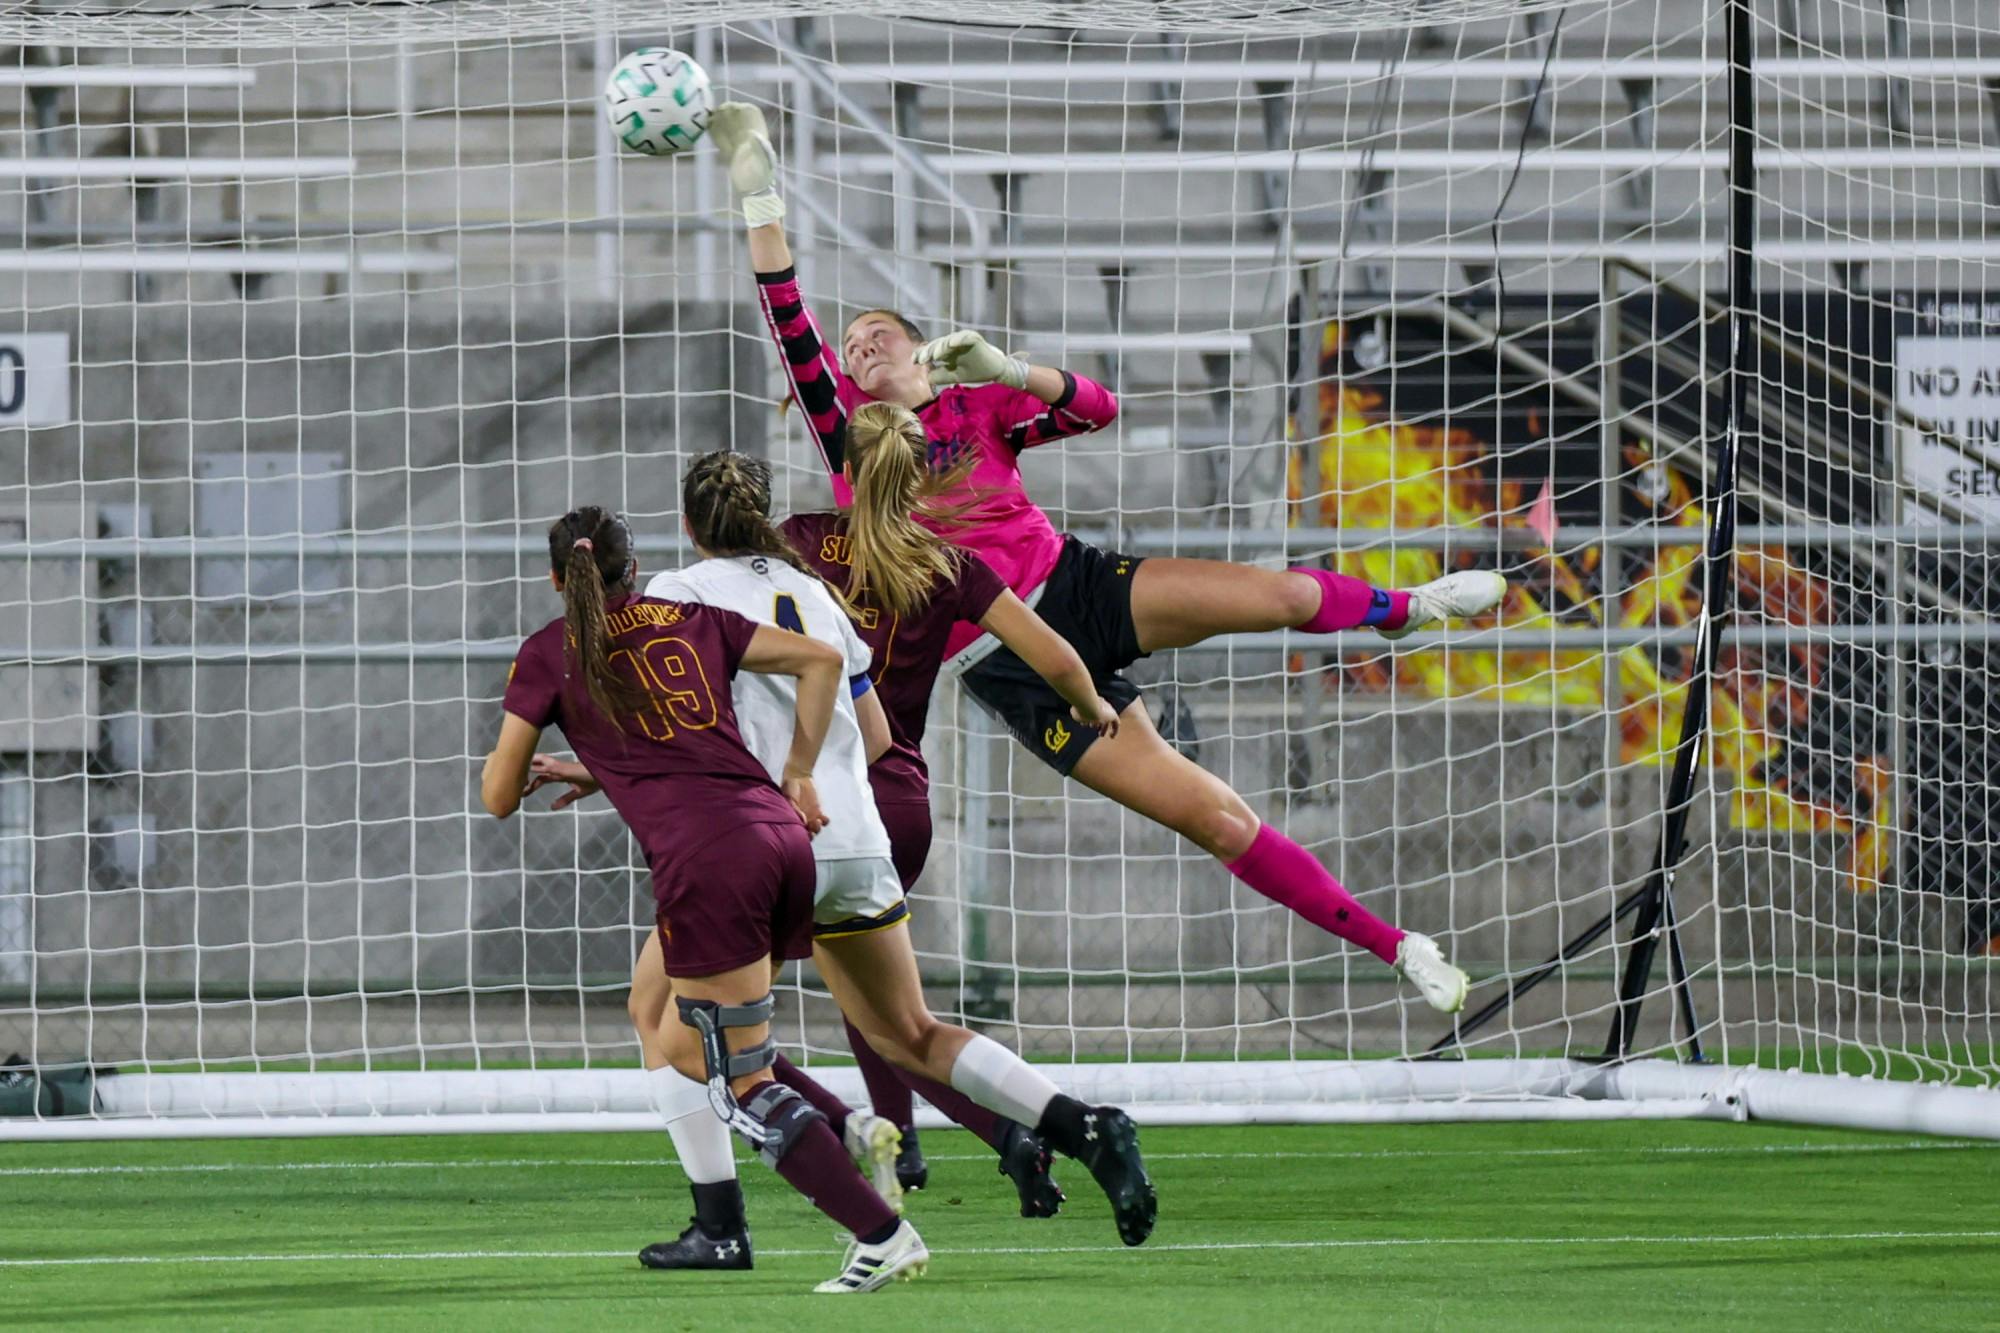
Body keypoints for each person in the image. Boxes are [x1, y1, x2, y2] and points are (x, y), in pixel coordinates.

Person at [707, 101, 1491, 1014]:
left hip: (1075, 585)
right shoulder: (850, 431)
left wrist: (1011, 369)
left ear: (919, 346)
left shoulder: (978, 401)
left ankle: (1410, 610)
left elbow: (1098, 409)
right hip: (1006, 659)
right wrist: (760, 195)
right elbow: (787, 315)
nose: (858, 343)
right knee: (1215, 816)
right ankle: (1401, 948)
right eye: (850, 346)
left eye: (876, 330)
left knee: (1279, 595)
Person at [529, 463, 1157, 1258]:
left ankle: (770, 1191)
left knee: (672, 1031)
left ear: (688, 527)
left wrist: (734, 770)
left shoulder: (678, 594)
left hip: (759, 841)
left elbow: (677, 727)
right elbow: (880, 734)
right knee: (912, 1032)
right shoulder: (815, 590)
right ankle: (1083, 1123)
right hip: (857, 831)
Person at [482, 505, 925, 1294]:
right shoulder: (690, 618)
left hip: (712, 860)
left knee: (727, 1069)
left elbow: (497, 796)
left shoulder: (551, 651)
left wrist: (537, 757)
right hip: (781, 836)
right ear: (634, 569)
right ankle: (772, 1186)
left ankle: (880, 1230)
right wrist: (798, 771)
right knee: (667, 1024)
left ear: (555, 579)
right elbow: (822, 659)